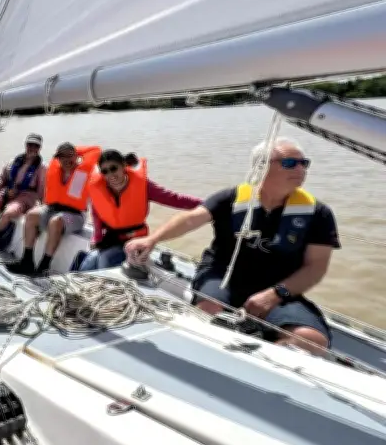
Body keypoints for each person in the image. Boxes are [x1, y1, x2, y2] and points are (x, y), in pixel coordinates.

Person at [125, 137, 339, 354]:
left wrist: (275, 294)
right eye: (290, 163)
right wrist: (152, 239)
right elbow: (190, 219)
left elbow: (316, 267)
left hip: (277, 286)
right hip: (222, 275)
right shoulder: (231, 198)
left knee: (311, 340)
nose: (301, 169)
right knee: (207, 313)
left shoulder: (318, 213)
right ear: (261, 166)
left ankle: (261, 357)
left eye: (304, 163)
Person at [79, 149, 202, 271]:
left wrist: (206, 205)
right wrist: (97, 237)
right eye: (105, 171)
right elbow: (96, 211)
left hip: (136, 240)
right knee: (87, 264)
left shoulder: (144, 186)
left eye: (114, 168)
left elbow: (174, 199)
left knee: (106, 259)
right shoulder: (99, 187)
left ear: (123, 166)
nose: (110, 175)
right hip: (111, 238)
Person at [6, 142, 101, 276]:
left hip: (75, 216)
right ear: (58, 158)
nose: (66, 160)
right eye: (62, 156)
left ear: (77, 156)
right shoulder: (54, 168)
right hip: (52, 209)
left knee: (56, 221)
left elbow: (96, 150)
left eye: (70, 156)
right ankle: (27, 262)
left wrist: (73, 150)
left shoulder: (84, 171)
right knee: (31, 215)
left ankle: (43, 267)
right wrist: (67, 152)